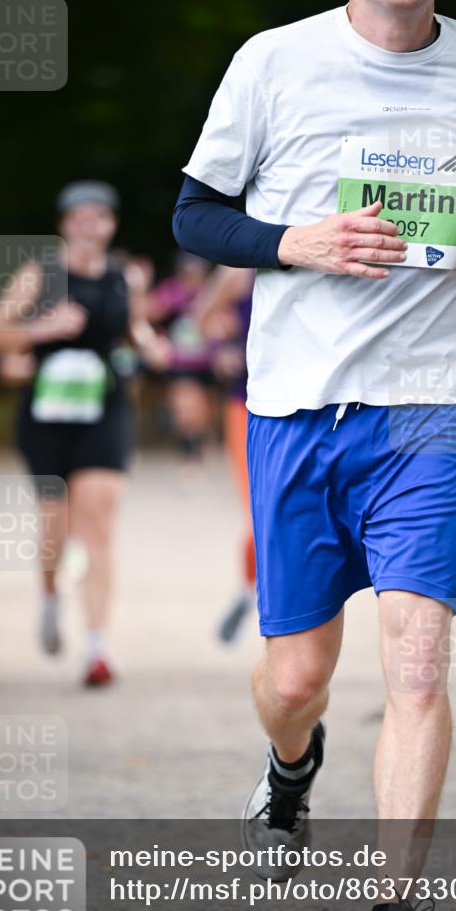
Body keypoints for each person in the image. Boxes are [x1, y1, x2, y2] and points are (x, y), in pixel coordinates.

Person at [173, 0, 456, 911]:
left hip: (423, 409)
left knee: (416, 668)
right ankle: (291, 767)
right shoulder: (273, 61)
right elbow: (193, 216)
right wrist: (291, 242)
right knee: (296, 680)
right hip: (297, 410)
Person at [0, 181, 163, 686]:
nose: (89, 224)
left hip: (105, 409)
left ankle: (98, 648)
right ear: (64, 225)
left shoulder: (126, 276)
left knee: (100, 528)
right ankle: (49, 596)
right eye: (79, 216)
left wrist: (150, 345)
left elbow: (138, 332)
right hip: (46, 416)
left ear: (111, 225)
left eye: (99, 216)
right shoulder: (40, 274)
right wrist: (41, 329)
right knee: (54, 531)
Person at [193, 266, 256, 642]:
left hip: (315, 406)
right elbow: (200, 320)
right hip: (248, 405)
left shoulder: (330, 247)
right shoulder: (240, 270)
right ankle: (250, 591)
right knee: (257, 512)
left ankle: (259, 593)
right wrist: (219, 351)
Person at [146, 251, 216, 475]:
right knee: (185, 407)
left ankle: (197, 446)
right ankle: (189, 454)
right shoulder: (170, 291)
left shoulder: (213, 291)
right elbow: (147, 314)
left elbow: (231, 319)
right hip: (179, 363)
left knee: (201, 411)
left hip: (208, 363)